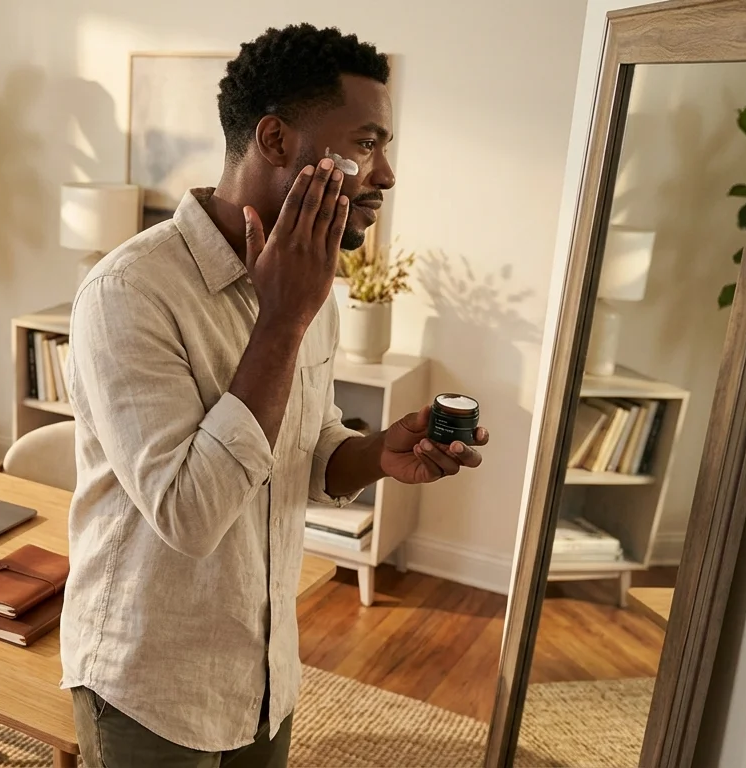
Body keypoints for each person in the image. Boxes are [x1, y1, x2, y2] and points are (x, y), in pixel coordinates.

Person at [59, 23, 491, 768]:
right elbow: (188, 514)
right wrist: (282, 319)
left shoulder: (313, 280)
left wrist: (375, 456)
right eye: (364, 143)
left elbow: (307, 449)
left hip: (264, 671)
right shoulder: (129, 292)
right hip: (148, 681)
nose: (384, 173)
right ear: (275, 139)